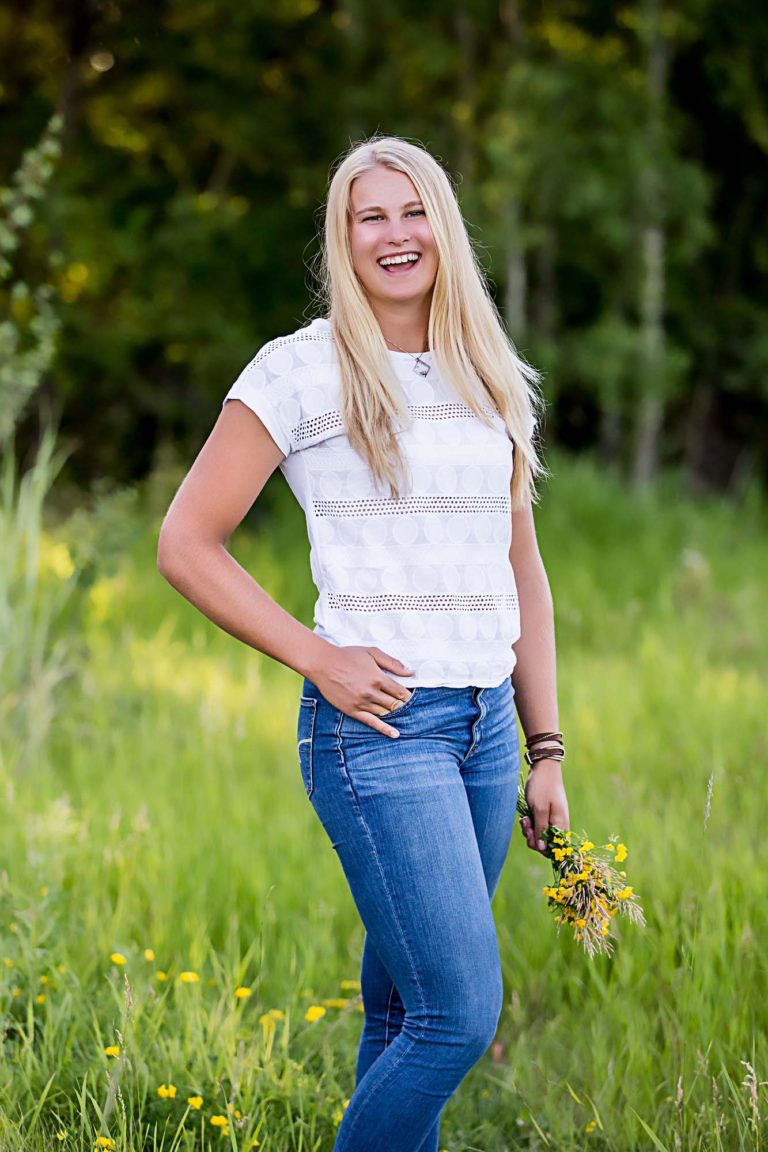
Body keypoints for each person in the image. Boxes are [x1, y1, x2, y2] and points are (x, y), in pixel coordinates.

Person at [157, 134, 570, 1152]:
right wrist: (315, 654)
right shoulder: (299, 372)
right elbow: (184, 542)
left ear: (444, 225)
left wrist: (547, 746)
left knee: (402, 1016)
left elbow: (521, 569)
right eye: (369, 215)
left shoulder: (492, 375)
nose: (396, 234)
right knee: (457, 1020)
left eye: (413, 209)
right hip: (380, 728)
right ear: (344, 239)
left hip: (483, 731)